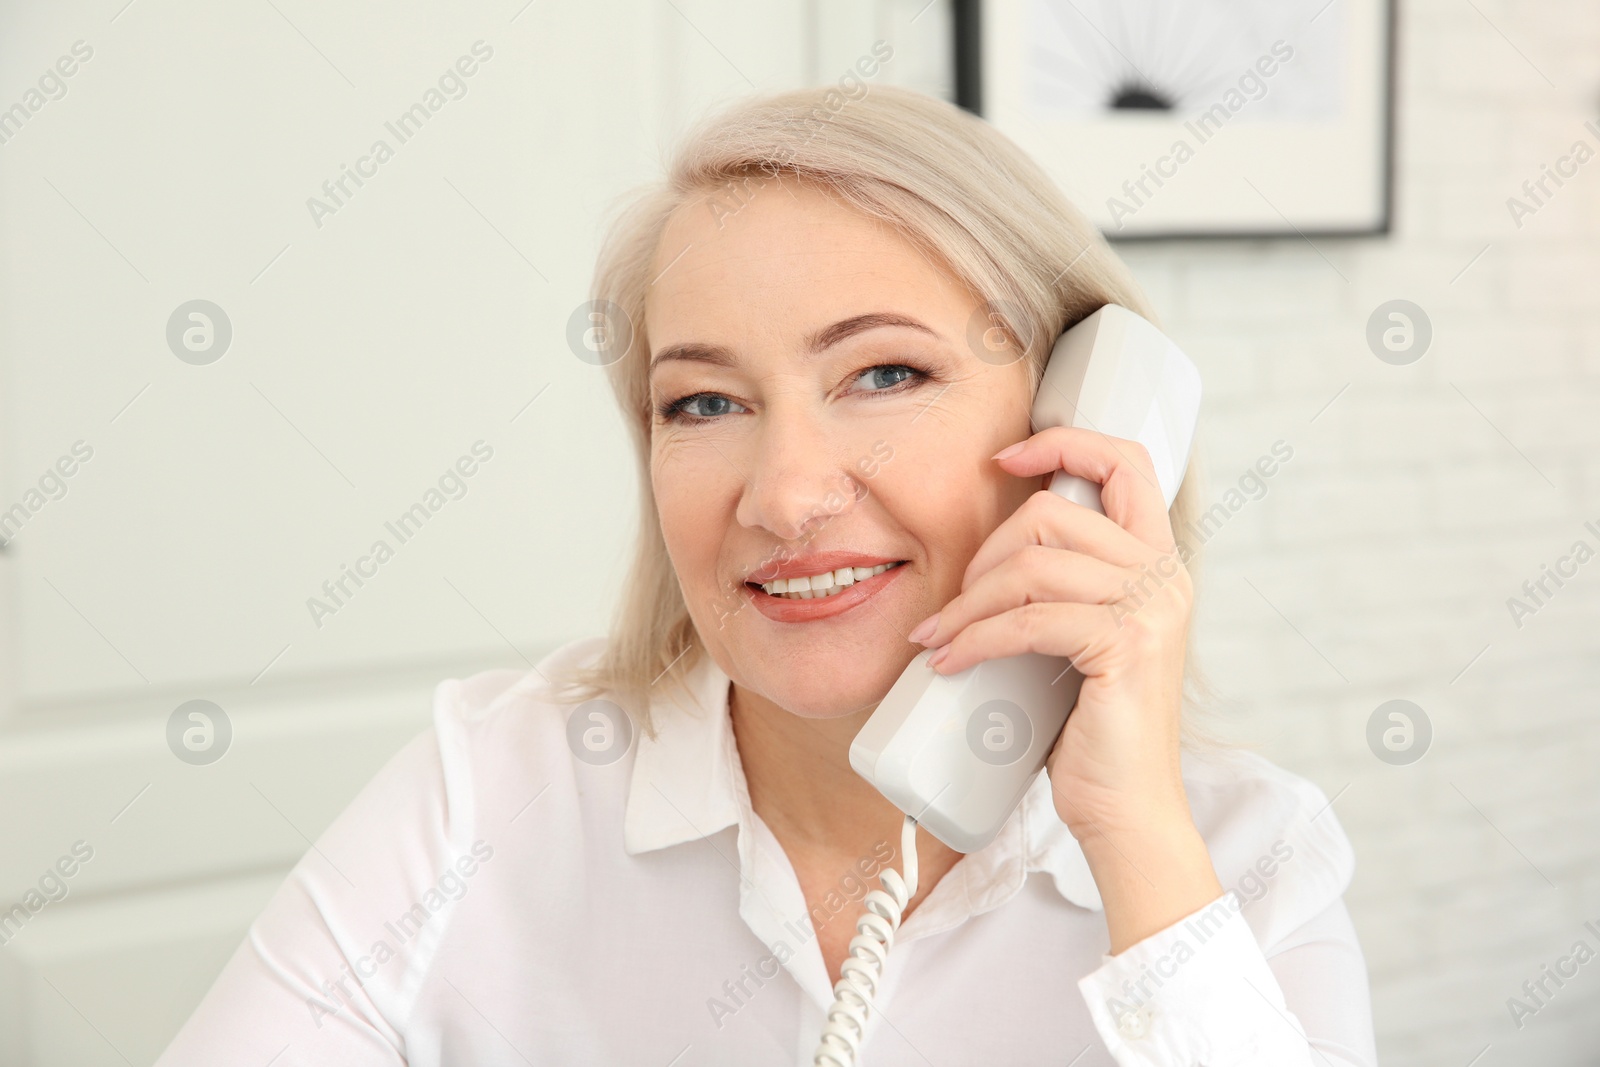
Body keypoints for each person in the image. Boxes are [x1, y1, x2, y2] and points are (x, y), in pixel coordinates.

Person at [156, 83, 1376, 1066]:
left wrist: (1130, 833)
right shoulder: (495, 785)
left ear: (1085, 420)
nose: (784, 493)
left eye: (884, 374)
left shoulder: (1245, 852)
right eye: (704, 400)